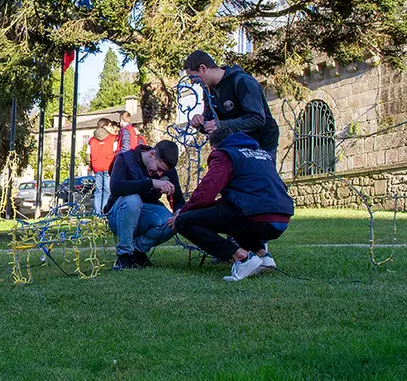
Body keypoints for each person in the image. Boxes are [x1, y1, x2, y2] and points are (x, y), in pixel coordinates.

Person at [170, 127, 294, 282]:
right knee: (233, 216)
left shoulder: (225, 155)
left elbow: (206, 192)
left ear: (213, 147)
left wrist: (182, 213)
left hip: (257, 215)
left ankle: (241, 258)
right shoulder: (261, 153)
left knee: (184, 222)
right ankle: (264, 256)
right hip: (281, 217)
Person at [183, 50, 280, 161]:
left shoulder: (242, 81)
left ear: (203, 68)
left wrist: (222, 125)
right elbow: (212, 121)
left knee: (257, 176)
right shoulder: (208, 90)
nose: (193, 83)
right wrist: (200, 122)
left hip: (262, 141)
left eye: (193, 78)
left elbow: (257, 118)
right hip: (237, 143)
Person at [104, 140, 185, 269]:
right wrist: (151, 183)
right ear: (152, 154)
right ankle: (124, 256)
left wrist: (179, 211)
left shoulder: (167, 170)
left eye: (163, 172)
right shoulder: (124, 159)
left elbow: (178, 199)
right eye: (158, 169)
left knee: (173, 221)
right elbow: (115, 187)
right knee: (132, 200)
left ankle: (138, 251)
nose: (159, 174)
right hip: (119, 214)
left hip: (146, 214)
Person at [87, 118, 115, 215]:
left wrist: (90, 165)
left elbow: (88, 155)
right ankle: (104, 210)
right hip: (109, 165)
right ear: (105, 126)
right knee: (107, 190)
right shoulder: (112, 138)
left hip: (96, 166)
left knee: (98, 190)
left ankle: (97, 211)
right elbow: (116, 153)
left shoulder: (91, 140)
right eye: (110, 125)